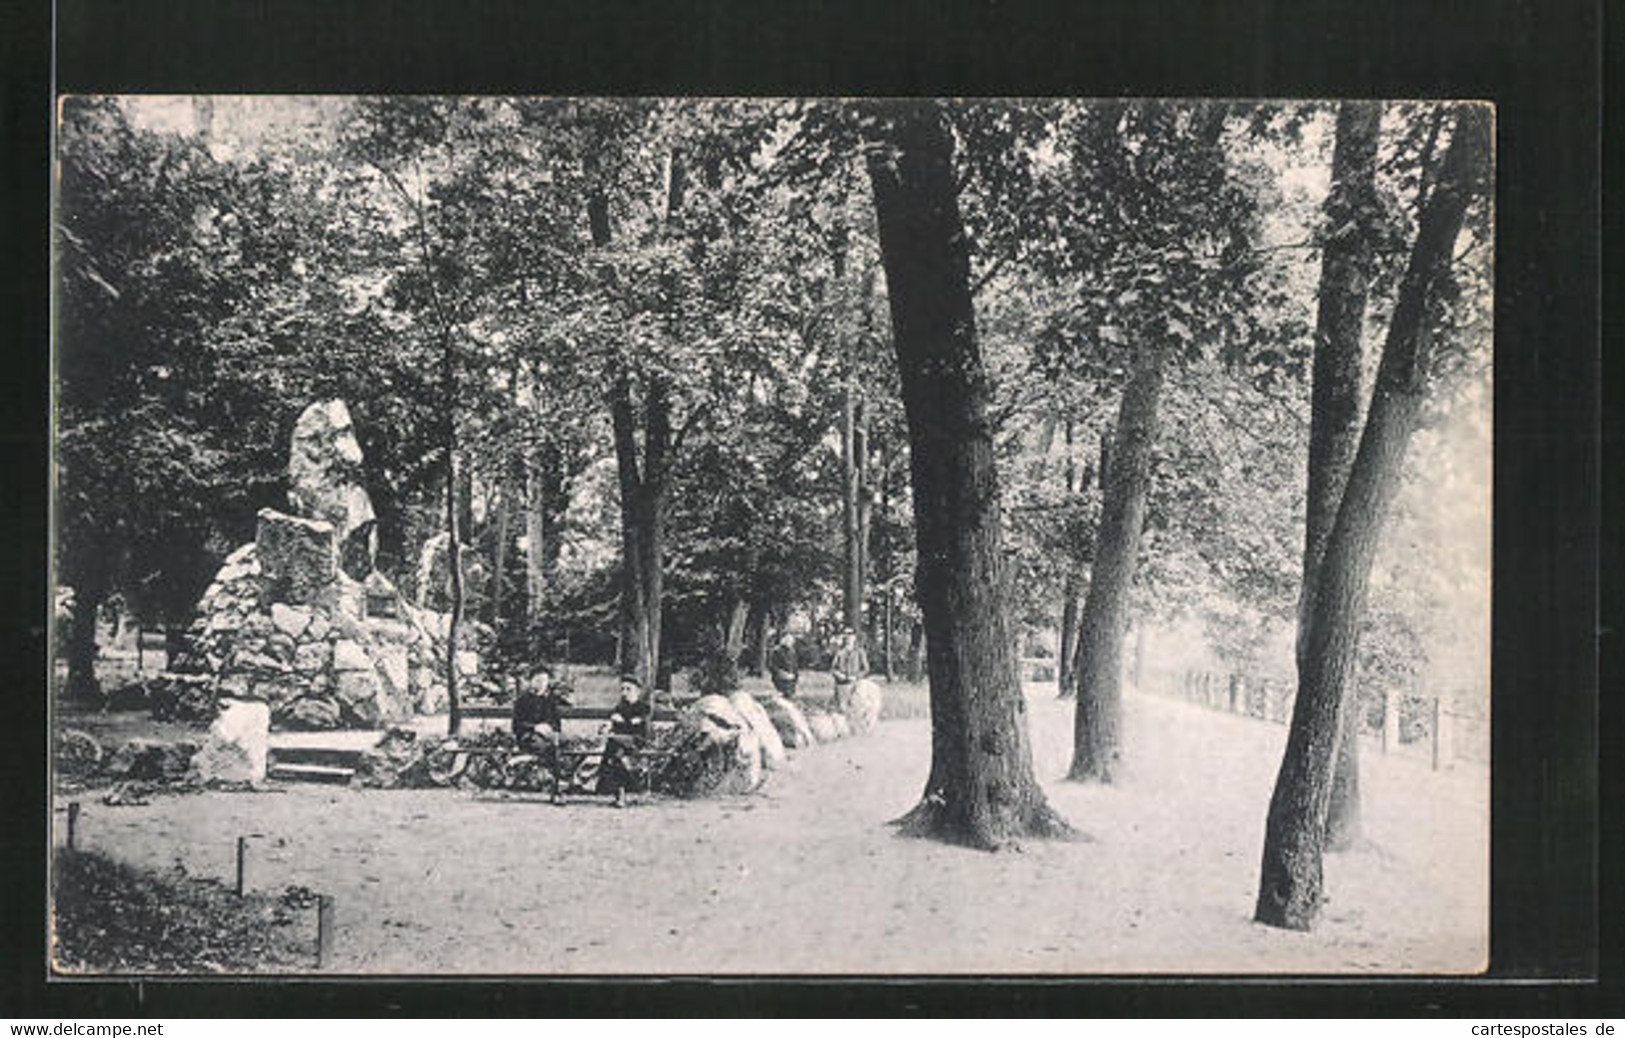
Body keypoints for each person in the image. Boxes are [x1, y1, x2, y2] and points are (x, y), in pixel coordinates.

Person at [596, 673, 653, 806]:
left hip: (637, 741)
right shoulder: (620, 707)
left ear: (637, 691)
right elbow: (613, 724)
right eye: (622, 689)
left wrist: (620, 723)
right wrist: (606, 727)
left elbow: (633, 729)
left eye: (628, 689)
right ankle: (622, 793)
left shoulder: (643, 708)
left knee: (612, 746)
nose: (624, 693)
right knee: (616, 755)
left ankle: (616, 791)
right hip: (620, 744)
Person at [511, 664, 568, 757]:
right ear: (531, 682)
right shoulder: (522, 701)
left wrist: (553, 731)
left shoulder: (550, 700)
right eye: (538, 680)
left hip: (548, 736)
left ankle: (556, 770)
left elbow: (557, 723)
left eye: (545, 681)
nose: (542, 684)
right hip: (528, 736)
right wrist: (535, 727)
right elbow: (516, 725)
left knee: (560, 745)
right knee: (545, 747)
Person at [831, 628, 869, 712]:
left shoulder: (860, 651)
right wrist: (838, 675)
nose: (848, 638)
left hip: (855, 684)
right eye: (846, 635)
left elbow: (866, 669)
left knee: (856, 708)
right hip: (841, 685)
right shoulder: (839, 652)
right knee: (841, 710)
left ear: (854, 637)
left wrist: (856, 676)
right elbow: (833, 669)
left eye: (850, 635)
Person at [768, 632, 800, 698]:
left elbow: (795, 666)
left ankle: (789, 692)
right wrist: (781, 673)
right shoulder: (777, 651)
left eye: (791, 641)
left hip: (791, 677)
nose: (790, 642)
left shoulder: (792, 652)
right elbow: (772, 666)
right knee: (783, 693)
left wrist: (794, 675)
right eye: (788, 640)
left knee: (790, 694)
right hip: (780, 676)